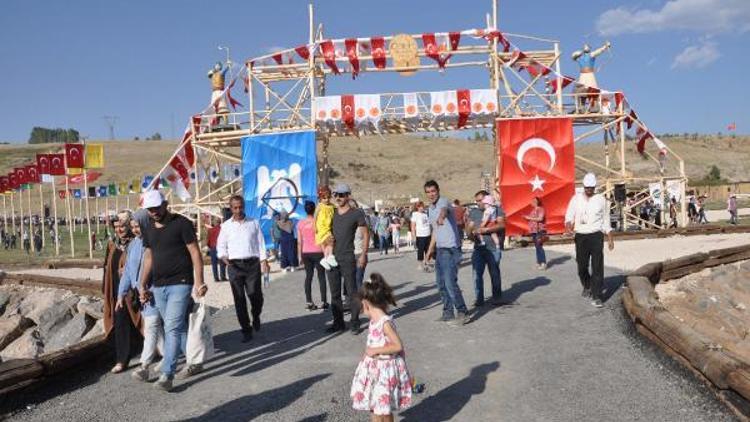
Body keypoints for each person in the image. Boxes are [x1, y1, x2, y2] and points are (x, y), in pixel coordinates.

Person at [138, 190, 208, 391]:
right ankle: (194, 360)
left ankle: (167, 374)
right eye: (150, 209)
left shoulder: (182, 224)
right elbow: (149, 257)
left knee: (172, 327)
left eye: (157, 208)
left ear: (166, 204)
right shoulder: (149, 229)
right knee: (179, 327)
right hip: (159, 286)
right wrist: (143, 283)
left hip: (181, 282)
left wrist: (199, 282)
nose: (154, 212)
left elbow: (195, 253)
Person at [350, 273, 412, 420]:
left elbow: (397, 345)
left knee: (382, 410)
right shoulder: (374, 320)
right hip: (374, 370)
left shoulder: (384, 322)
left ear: (365, 303)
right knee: (375, 407)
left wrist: (375, 350)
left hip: (385, 370)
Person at [217, 195, 270, 343]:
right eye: (235, 207)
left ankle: (256, 314)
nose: (238, 210)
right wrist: (223, 257)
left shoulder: (253, 223)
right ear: (231, 208)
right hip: (234, 266)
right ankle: (246, 329)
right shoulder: (226, 226)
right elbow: (220, 246)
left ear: (244, 206)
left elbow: (260, 243)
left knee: (255, 295)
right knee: (239, 299)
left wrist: (264, 260)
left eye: (240, 207)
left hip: (252, 264)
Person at [119, 210, 164, 382]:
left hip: (155, 292)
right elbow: (129, 272)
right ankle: (169, 358)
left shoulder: (156, 240)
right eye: (133, 227)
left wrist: (149, 288)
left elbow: (161, 267)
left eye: (138, 226)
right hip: (142, 295)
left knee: (151, 327)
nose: (136, 230)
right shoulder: (133, 245)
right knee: (156, 330)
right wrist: (121, 293)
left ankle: (144, 366)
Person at [565, 173, 614, 308]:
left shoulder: (601, 200)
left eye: (591, 187)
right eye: (587, 187)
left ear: (594, 187)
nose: (589, 190)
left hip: (596, 235)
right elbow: (569, 215)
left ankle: (597, 296)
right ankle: (587, 285)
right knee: (581, 266)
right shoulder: (575, 199)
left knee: (597, 265)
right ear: (583, 186)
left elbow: (606, 219)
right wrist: (568, 225)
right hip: (580, 236)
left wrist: (610, 238)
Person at [424, 180, 470, 325]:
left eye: (433, 191)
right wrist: (429, 251)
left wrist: (442, 216)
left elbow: (444, 210)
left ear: (438, 190)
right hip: (440, 249)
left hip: (451, 249)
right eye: (428, 192)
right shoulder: (430, 209)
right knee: (440, 283)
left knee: (450, 282)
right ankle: (448, 312)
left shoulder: (444, 201)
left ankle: (462, 312)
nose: (431, 194)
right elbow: (435, 233)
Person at [326, 183, 369, 334]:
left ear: (348, 196)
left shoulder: (356, 213)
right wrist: (329, 241)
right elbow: (326, 232)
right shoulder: (331, 213)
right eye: (336, 194)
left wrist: (363, 254)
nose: (338, 197)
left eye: (342, 194)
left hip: (348, 257)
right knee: (335, 293)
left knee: (352, 292)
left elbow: (365, 234)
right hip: (332, 258)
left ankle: (355, 322)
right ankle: (338, 322)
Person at [103, 211, 141, 374]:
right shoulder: (112, 244)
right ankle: (122, 359)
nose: (120, 229)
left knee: (141, 320)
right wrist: (105, 286)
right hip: (117, 291)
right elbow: (106, 266)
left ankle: (150, 349)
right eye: (117, 226)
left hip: (136, 289)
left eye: (123, 226)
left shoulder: (137, 242)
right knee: (120, 321)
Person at [466, 190, 503, 307]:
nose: (478, 203)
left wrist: (486, 230)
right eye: (476, 201)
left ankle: (497, 298)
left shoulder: (496, 209)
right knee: (476, 274)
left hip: (493, 248)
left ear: (487, 199)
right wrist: (469, 231)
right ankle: (479, 299)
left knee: (494, 273)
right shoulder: (474, 212)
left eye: (480, 200)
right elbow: (469, 229)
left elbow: (501, 225)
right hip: (478, 248)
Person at [297, 201, 328, 311]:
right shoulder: (318, 222)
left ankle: (309, 302)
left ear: (305, 210)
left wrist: (299, 255)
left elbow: (300, 242)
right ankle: (324, 301)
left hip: (306, 252)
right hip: (319, 251)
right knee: (321, 276)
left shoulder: (300, 223)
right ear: (314, 209)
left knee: (308, 276)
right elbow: (323, 237)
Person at [315, 185, 338, 270]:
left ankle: (325, 258)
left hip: (327, 227)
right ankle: (330, 256)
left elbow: (336, 207)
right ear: (320, 198)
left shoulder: (331, 206)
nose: (326, 200)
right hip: (322, 227)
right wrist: (315, 227)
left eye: (328, 198)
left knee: (327, 243)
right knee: (331, 240)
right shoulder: (320, 206)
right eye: (324, 198)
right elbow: (315, 217)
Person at [350, 199, 368, 290]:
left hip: (359, 253)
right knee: (349, 281)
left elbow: (366, 237)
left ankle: (362, 302)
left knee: (358, 279)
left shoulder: (361, 221)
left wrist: (363, 255)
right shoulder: (345, 222)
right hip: (348, 255)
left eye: (354, 207)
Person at [524, 197, 547, 270]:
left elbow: (540, 218)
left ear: (536, 202)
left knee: (539, 246)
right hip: (534, 231)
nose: (532, 202)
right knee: (537, 247)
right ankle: (539, 262)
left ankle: (543, 263)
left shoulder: (540, 209)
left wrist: (529, 218)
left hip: (539, 230)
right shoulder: (533, 210)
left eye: (533, 201)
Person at [410, 201, 431, 270]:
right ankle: (420, 264)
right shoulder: (415, 214)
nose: (422, 208)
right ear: (417, 207)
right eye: (420, 206)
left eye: (423, 206)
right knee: (420, 250)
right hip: (420, 235)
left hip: (428, 234)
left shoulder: (425, 214)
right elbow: (413, 226)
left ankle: (427, 262)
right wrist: (414, 237)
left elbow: (428, 224)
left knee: (428, 250)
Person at [206, 217, 227, 282]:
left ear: (214, 223)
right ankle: (223, 277)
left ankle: (216, 278)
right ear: (220, 222)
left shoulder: (210, 230)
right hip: (220, 247)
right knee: (222, 263)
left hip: (213, 247)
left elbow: (208, 240)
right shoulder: (223, 229)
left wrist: (210, 246)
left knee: (214, 264)